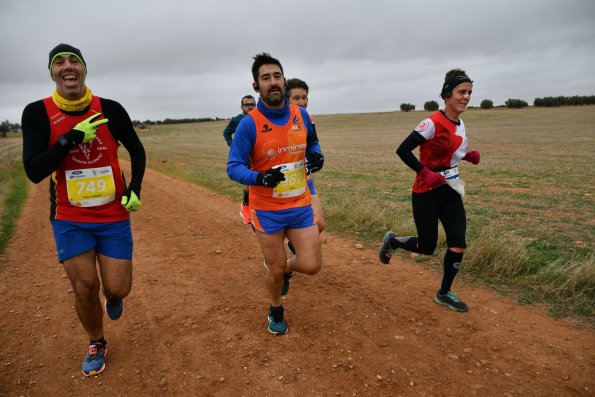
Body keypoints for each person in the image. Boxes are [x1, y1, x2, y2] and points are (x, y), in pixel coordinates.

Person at [21, 43, 146, 376]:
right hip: (69, 217)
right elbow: (34, 170)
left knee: (117, 288)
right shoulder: (37, 112)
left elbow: (137, 151)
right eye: (59, 62)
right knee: (85, 287)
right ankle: (96, 339)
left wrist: (134, 189)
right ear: (52, 72)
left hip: (113, 216)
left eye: (74, 61)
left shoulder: (110, 109)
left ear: (84, 69)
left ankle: (114, 296)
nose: (67, 66)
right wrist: (69, 139)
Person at [227, 53, 325, 335]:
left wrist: (317, 156)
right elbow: (233, 167)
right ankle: (275, 307)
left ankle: (284, 270)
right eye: (266, 78)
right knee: (275, 267)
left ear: (284, 80)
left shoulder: (301, 115)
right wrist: (260, 177)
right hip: (267, 210)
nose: (273, 82)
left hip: (299, 204)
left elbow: (313, 143)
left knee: (311, 264)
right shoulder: (249, 123)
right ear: (257, 86)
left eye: (277, 76)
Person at [378, 69, 480, 313]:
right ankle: (393, 241)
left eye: (469, 93)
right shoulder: (432, 122)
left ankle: (444, 293)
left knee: (458, 243)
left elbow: (451, 152)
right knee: (427, 247)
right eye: (461, 92)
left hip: (451, 190)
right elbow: (403, 150)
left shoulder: (461, 123)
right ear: (447, 95)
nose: (466, 97)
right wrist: (424, 172)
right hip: (426, 191)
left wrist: (467, 155)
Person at [285, 78, 325, 250]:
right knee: (281, 232)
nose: (302, 102)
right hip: (281, 185)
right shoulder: (278, 120)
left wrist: (316, 154)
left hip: (304, 178)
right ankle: (275, 261)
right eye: (297, 98)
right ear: (286, 100)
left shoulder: (308, 117)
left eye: (305, 97)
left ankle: (292, 251)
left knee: (319, 224)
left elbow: (312, 142)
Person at [223, 95, 256, 224]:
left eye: (252, 104)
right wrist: (233, 146)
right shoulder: (236, 120)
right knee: (250, 183)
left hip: (259, 156)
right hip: (246, 157)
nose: (250, 106)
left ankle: (257, 210)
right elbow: (226, 133)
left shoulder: (259, 117)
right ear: (242, 107)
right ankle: (246, 205)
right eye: (247, 104)